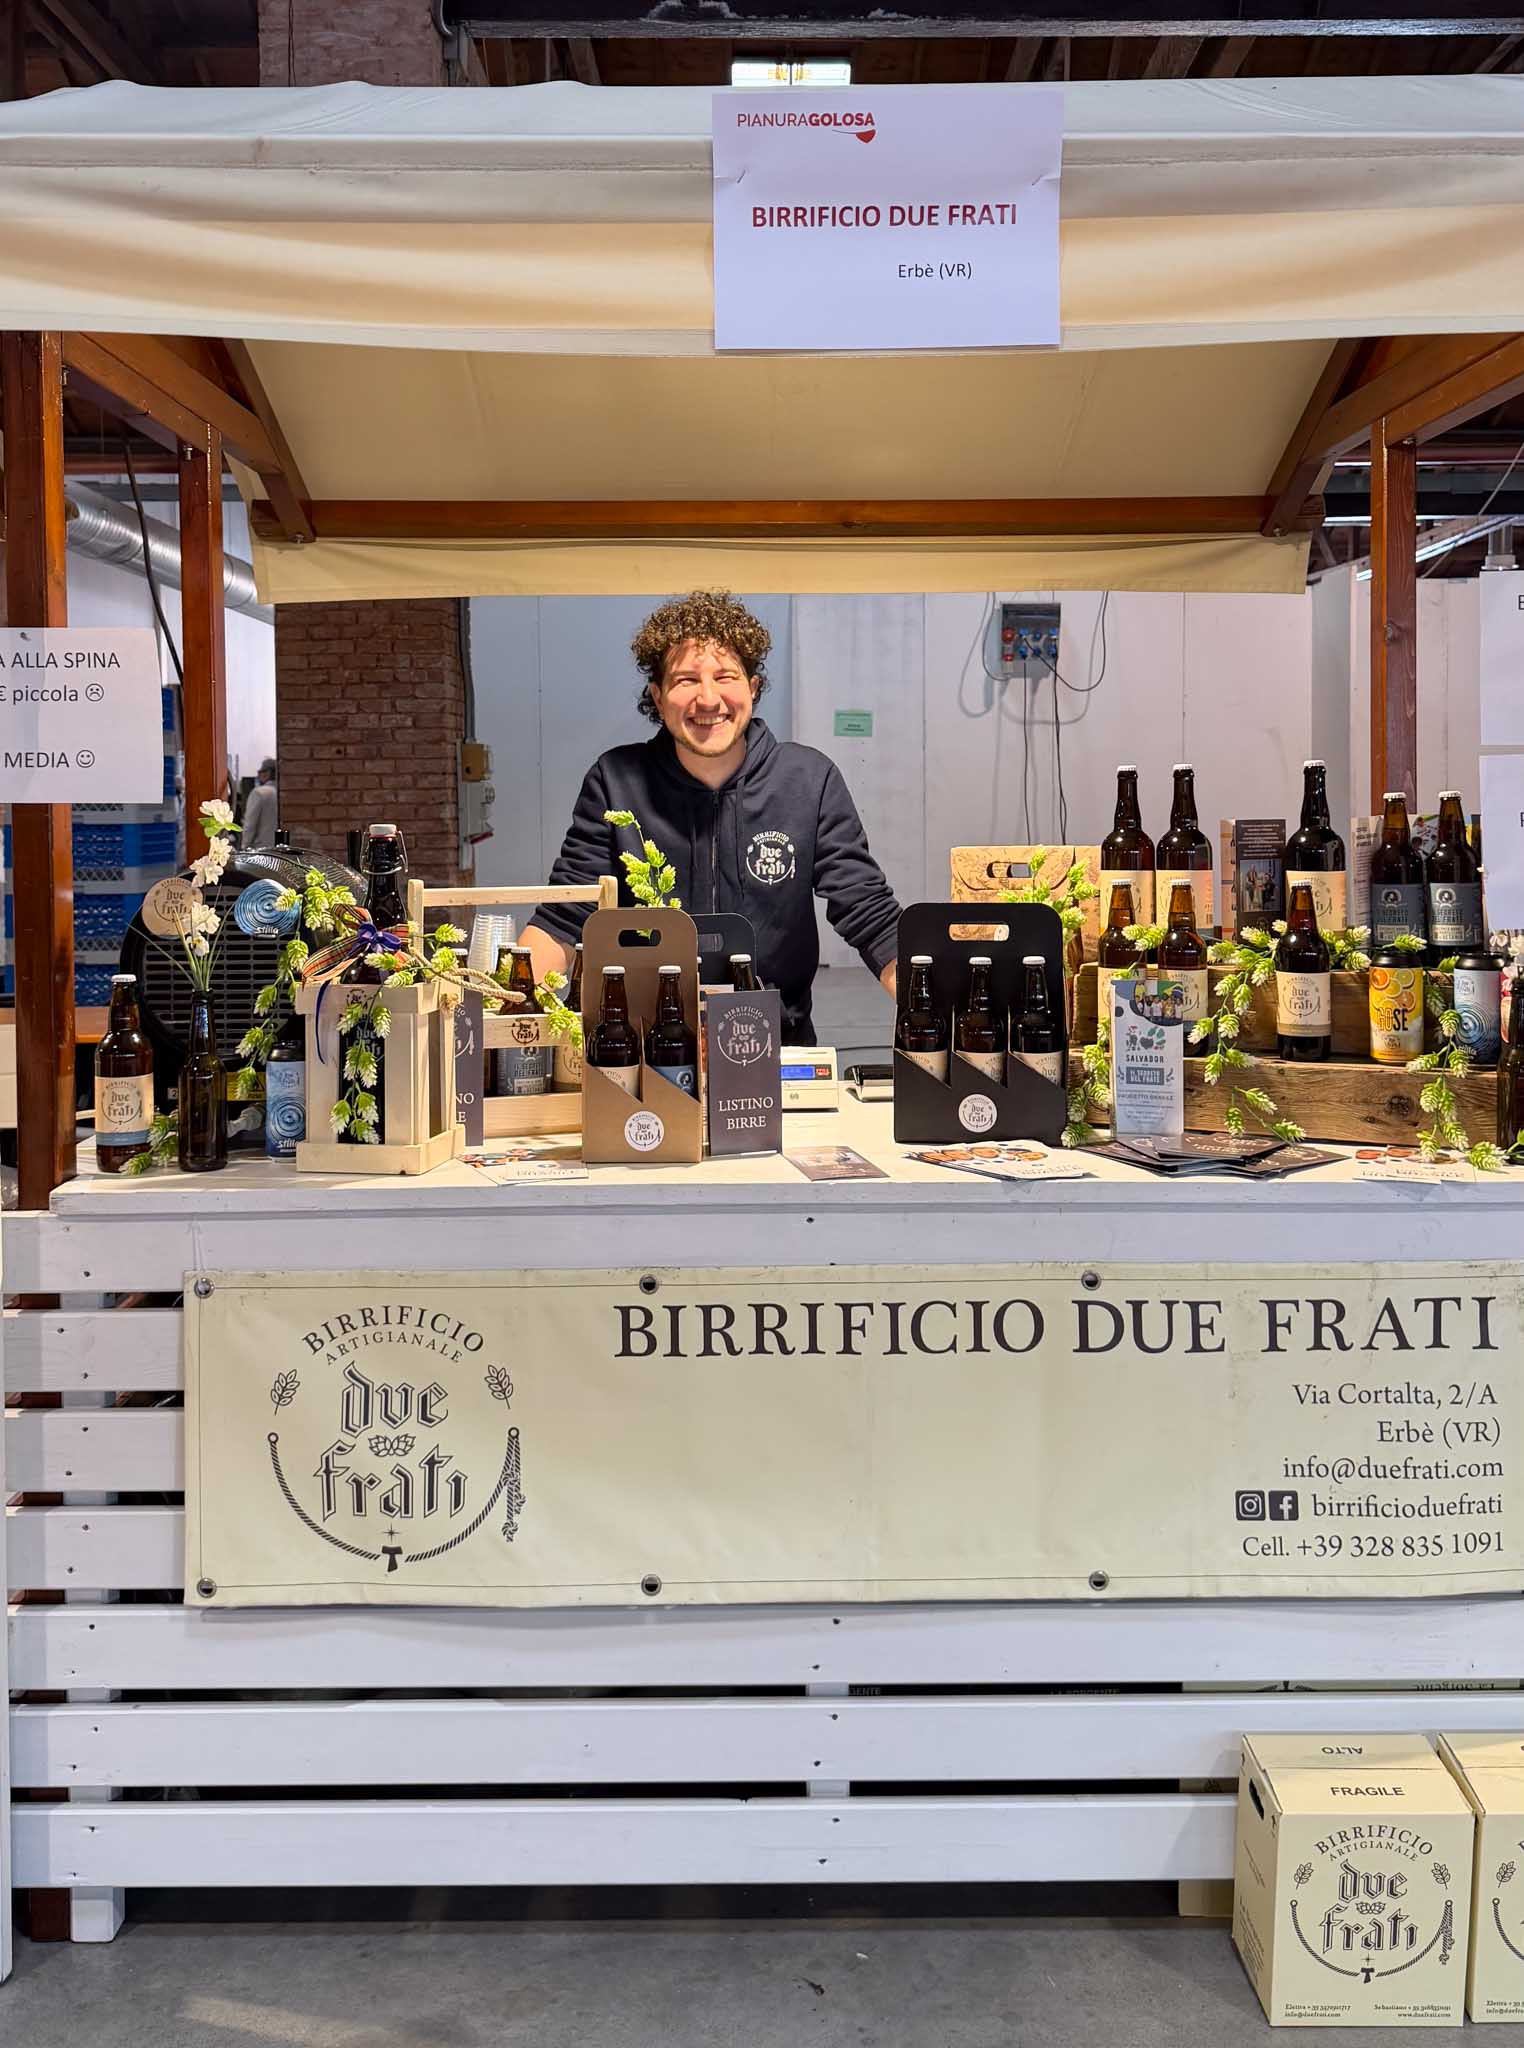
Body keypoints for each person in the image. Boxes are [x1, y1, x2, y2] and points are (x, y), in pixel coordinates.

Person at [524, 591, 900, 1043]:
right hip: (645, 1046)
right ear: (658, 697)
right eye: (686, 680)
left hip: (776, 1044)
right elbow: (567, 914)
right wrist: (502, 1001)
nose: (708, 698)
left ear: (753, 688)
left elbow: (866, 908)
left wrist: (936, 1004)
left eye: (725, 676)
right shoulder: (616, 781)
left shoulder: (808, 779)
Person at [242, 758, 278, 847]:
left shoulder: (259, 793)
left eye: (260, 772)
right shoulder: (284, 793)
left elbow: (250, 825)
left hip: (261, 848)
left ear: (268, 773)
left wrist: (244, 846)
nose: (258, 776)